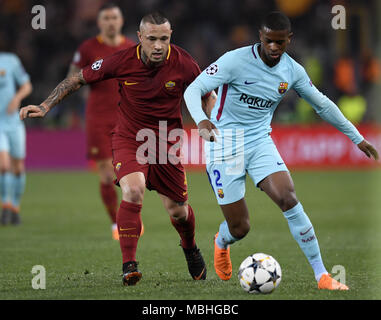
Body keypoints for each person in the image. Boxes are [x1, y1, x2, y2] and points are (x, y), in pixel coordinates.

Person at [184, 11, 379, 290]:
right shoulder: (234, 60)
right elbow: (194, 89)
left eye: (280, 42)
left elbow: (322, 104)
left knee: (288, 197)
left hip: (260, 142)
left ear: (289, 39)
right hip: (225, 145)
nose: (274, 48)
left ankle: (322, 275)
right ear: (260, 37)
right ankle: (221, 241)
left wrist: (356, 137)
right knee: (240, 228)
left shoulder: (292, 71)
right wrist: (201, 120)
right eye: (269, 41)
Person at [20, 12, 217, 286]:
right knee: (133, 190)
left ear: (170, 37)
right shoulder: (123, 60)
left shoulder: (184, 62)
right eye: (152, 39)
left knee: (178, 212)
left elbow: (208, 94)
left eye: (164, 39)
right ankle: (129, 265)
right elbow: (77, 79)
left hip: (166, 142)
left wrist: (209, 121)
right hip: (129, 137)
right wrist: (44, 106)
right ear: (140, 38)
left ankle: (190, 246)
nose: (158, 45)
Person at [67, 3, 136, 240]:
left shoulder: (131, 48)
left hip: (127, 118)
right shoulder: (88, 48)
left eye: (114, 17)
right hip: (98, 118)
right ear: (99, 22)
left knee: (129, 173)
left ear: (121, 20)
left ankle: (129, 215)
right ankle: (116, 223)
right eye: (105, 18)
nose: (110, 22)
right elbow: (72, 78)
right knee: (107, 174)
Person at [0, 52, 32, 226]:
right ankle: (5, 206)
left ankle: (15, 208)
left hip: (14, 123)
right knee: (3, 166)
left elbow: (27, 86)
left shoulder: (10, 61)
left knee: (18, 168)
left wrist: (17, 98)